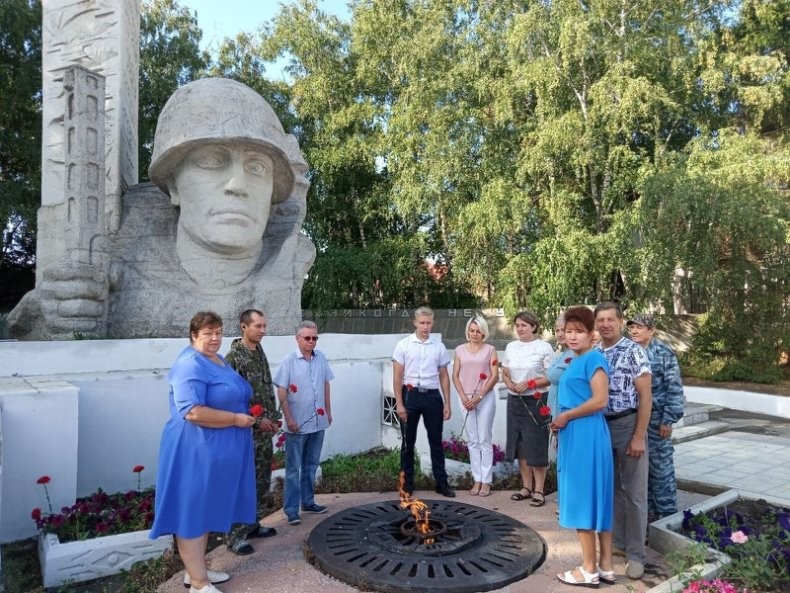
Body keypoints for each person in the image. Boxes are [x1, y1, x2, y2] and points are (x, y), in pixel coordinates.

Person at [9, 78, 314, 339]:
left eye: (257, 167)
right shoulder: (113, 270)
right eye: (211, 161)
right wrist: (53, 314)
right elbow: (25, 335)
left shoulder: (289, 263)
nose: (238, 183)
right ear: (174, 186)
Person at [150, 311, 258, 593]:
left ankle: (194, 572)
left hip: (215, 450)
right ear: (193, 336)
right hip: (194, 450)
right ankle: (198, 584)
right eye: (208, 333)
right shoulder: (188, 364)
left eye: (219, 332)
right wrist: (236, 419)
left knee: (205, 508)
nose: (215, 338)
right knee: (192, 511)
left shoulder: (217, 360)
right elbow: (193, 412)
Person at [552, 306, 614, 587]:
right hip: (577, 432)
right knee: (594, 496)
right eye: (568, 331)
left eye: (579, 332)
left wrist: (566, 415)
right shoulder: (574, 359)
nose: (572, 336)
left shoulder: (593, 359)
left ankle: (589, 569)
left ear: (592, 335)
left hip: (585, 433)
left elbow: (601, 400)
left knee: (583, 498)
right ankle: (606, 566)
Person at [594, 302, 653, 580]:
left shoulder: (634, 351)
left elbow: (645, 397)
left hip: (628, 424)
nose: (605, 324)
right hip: (599, 427)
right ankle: (617, 543)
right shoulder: (593, 353)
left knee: (636, 493)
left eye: (610, 319)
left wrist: (639, 436)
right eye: (600, 320)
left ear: (620, 322)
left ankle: (636, 554)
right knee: (611, 489)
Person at [224, 309, 280, 555]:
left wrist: (274, 418)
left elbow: (266, 386)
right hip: (245, 432)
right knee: (241, 483)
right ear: (243, 327)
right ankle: (234, 536)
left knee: (260, 482)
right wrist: (258, 421)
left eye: (264, 326)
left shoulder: (259, 351)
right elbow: (231, 398)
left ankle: (253, 524)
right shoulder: (234, 357)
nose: (262, 330)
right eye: (257, 326)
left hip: (264, 431)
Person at [274, 320, 334, 526]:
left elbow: (326, 383)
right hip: (296, 425)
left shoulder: (321, 358)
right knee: (293, 469)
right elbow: (281, 390)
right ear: (297, 338)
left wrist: (328, 411)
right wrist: (289, 418)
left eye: (314, 338)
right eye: (307, 338)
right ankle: (291, 510)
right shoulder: (288, 361)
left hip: (318, 423)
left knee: (311, 465)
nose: (311, 341)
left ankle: (308, 502)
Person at [627, 313, 685, 520]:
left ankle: (668, 519)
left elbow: (675, 389)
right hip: (633, 422)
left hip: (656, 421)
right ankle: (649, 516)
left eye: (639, 327)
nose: (634, 331)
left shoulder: (663, 353)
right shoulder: (629, 351)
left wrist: (668, 420)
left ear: (651, 330)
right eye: (632, 327)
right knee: (641, 471)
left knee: (661, 471)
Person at [393, 306, 455, 497]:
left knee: (436, 442)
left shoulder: (438, 347)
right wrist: (399, 403)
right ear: (415, 323)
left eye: (429, 323)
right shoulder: (403, 345)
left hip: (432, 396)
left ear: (433, 323)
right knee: (407, 443)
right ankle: (407, 486)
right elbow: (397, 376)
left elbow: (444, 376)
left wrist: (447, 403)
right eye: (422, 323)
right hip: (410, 395)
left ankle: (441, 484)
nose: (425, 326)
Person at [502, 311, 555, 507]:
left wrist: (530, 383)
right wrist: (508, 382)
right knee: (520, 444)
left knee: (536, 444)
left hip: (536, 400)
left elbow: (551, 376)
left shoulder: (544, 347)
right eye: (517, 325)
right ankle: (526, 487)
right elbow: (505, 372)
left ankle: (539, 490)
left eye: (524, 325)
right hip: (514, 400)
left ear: (533, 326)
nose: (520, 329)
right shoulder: (511, 346)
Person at [451, 315, 500, 497]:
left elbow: (494, 376)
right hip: (465, 399)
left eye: (478, 331)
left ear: (484, 332)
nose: (474, 334)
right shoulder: (459, 350)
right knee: (472, 440)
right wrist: (464, 397)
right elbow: (455, 375)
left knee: (484, 438)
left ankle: (486, 481)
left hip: (484, 398)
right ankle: (477, 479)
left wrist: (479, 397)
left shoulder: (491, 350)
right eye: (472, 330)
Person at [547, 312, 575, 418]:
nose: (559, 334)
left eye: (563, 330)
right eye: (557, 330)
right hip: (556, 413)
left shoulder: (576, 353)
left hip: (567, 414)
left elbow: (553, 375)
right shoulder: (564, 353)